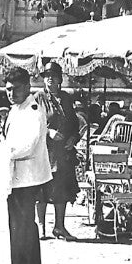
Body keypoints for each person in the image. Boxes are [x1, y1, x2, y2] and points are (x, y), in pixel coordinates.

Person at [1, 66, 52, 264]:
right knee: (16, 226)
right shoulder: (16, 109)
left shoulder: (32, 110)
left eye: (16, 89)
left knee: (24, 227)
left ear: (28, 87)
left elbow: (28, 147)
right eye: (8, 90)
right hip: (15, 177)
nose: (11, 94)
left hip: (28, 177)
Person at [34, 63, 81, 241]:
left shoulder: (66, 98)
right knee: (42, 191)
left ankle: (60, 227)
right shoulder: (38, 98)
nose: (50, 78)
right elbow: (32, 123)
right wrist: (48, 132)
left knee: (62, 190)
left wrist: (72, 139)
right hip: (45, 151)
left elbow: (75, 125)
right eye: (47, 75)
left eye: (54, 75)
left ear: (60, 79)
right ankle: (41, 227)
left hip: (63, 153)